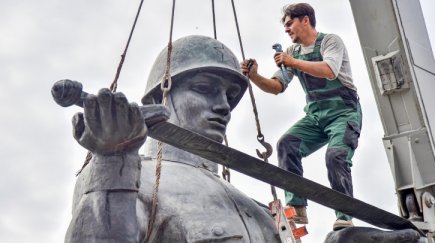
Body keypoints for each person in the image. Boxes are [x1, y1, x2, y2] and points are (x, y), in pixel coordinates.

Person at [64, 35, 280, 242]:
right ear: (160, 97)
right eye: (203, 88)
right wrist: (112, 163)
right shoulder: (129, 177)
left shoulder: (257, 211)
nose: (224, 106)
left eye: (230, 96)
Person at [240, 3, 362, 231]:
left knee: (336, 156)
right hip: (316, 117)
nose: (286, 29)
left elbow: (329, 70)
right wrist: (255, 75)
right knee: (287, 145)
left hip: (343, 114)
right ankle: (297, 208)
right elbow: (277, 86)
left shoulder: (330, 41)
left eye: (289, 24)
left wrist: (292, 62)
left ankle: (345, 215)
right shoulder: (292, 53)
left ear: (305, 20)